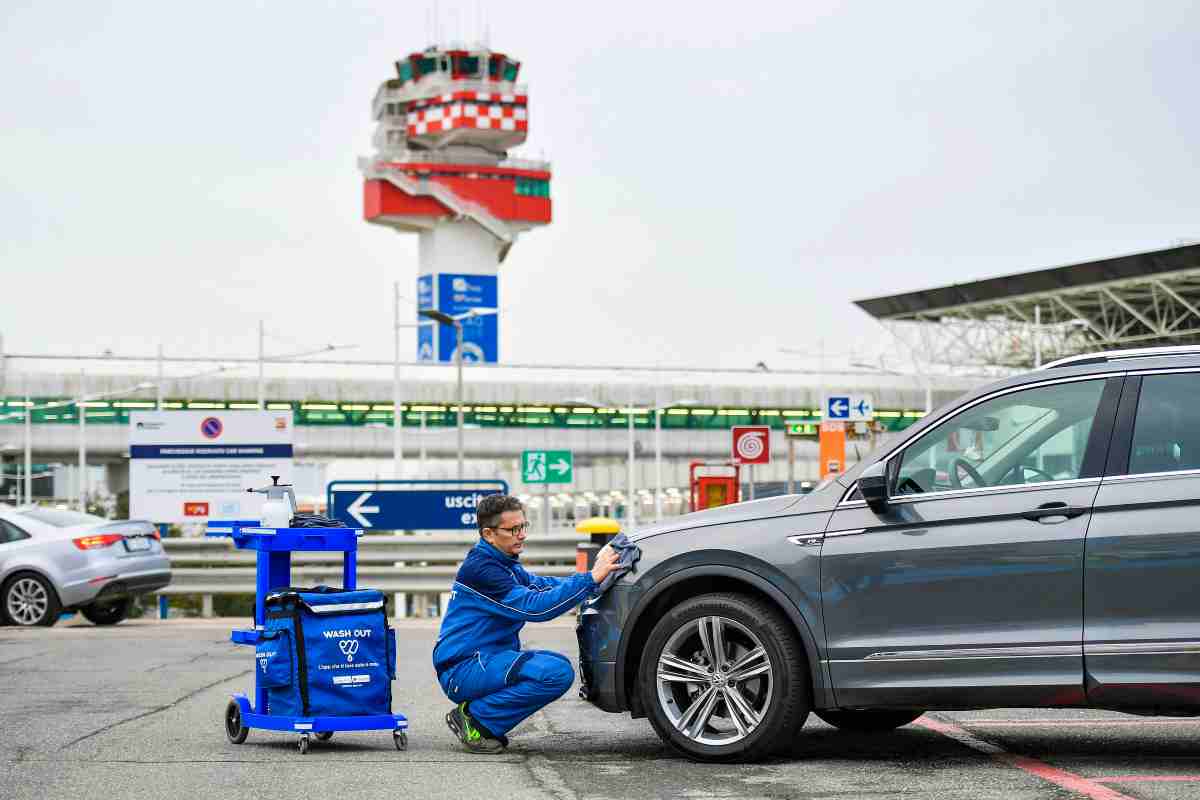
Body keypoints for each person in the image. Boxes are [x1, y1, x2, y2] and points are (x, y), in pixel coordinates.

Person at [432, 494, 620, 753]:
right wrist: (589, 580)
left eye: (523, 527)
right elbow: (536, 607)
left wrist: (592, 579)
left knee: (558, 665)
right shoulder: (483, 570)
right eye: (513, 529)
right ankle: (475, 719)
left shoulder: (502, 562)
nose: (522, 535)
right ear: (488, 534)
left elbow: (542, 586)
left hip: (483, 660)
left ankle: (479, 714)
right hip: (463, 669)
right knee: (554, 673)